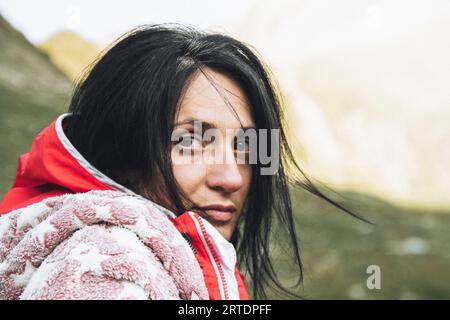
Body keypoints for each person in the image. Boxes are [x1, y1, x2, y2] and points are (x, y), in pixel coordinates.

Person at [0, 24, 359, 300]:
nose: (232, 177)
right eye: (190, 141)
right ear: (122, 148)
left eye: (245, 146)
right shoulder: (103, 269)